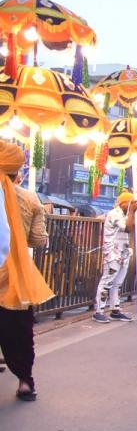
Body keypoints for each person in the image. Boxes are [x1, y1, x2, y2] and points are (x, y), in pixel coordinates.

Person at [0, 142, 53, 400]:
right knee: (19, 330)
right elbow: (39, 240)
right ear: (17, 172)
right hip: (14, 276)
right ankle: (24, 382)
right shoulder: (30, 198)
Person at [93, 191, 137, 323]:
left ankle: (115, 310)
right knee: (107, 282)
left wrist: (132, 213)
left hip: (123, 252)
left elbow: (131, 228)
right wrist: (132, 212)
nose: (131, 206)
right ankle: (99, 311)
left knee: (117, 284)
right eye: (129, 203)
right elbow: (127, 228)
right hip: (113, 253)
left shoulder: (125, 214)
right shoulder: (114, 214)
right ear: (122, 203)